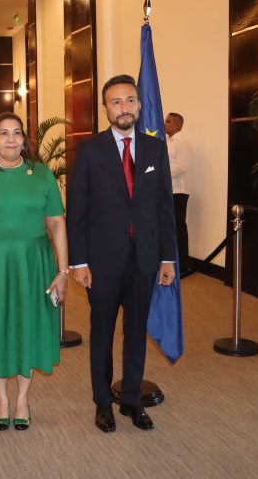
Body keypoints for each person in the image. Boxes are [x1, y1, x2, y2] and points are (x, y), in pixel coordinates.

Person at [67, 74, 176, 433]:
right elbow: (77, 211)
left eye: (130, 100)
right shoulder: (89, 150)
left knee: (135, 331)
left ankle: (131, 398)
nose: (124, 107)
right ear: (105, 109)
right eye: (116, 102)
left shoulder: (155, 149)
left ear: (140, 104)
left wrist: (167, 258)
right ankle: (102, 400)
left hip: (144, 258)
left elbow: (164, 208)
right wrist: (79, 262)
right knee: (102, 332)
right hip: (102, 261)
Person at [0, 112, 68, 431]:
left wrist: (62, 272)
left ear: (24, 140)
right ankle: (2, 401)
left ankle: (22, 400)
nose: (10, 139)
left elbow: (57, 224)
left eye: (16, 133)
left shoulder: (42, 175)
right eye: (3, 133)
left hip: (32, 264)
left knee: (26, 326)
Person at [164, 112, 191, 274]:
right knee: (167, 228)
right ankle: (170, 262)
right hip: (166, 191)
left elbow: (182, 166)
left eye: (168, 121)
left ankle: (183, 265)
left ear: (177, 125)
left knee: (178, 228)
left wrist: (161, 171)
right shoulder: (166, 141)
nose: (164, 123)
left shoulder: (182, 142)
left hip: (178, 192)